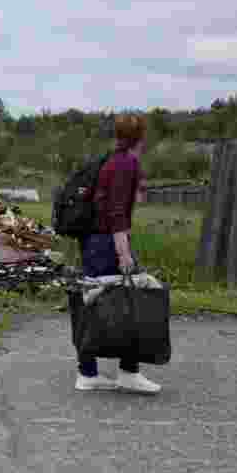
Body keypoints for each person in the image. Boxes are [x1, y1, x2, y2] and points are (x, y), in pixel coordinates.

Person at [74, 113, 160, 394]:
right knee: (133, 299)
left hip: (93, 240)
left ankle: (87, 373)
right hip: (109, 242)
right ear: (141, 137)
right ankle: (128, 372)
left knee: (90, 300)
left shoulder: (112, 160)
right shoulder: (126, 163)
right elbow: (117, 213)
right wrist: (124, 254)